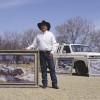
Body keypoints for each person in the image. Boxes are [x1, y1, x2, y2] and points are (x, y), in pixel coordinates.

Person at [26, 20, 59, 89]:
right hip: (41, 53)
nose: (43, 27)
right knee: (43, 69)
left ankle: (54, 84)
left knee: (52, 68)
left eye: (44, 25)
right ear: (40, 27)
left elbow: (55, 44)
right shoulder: (38, 35)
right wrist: (28, 48)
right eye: (42, 26)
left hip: (49, 53)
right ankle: (44, 83)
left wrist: (52, 52)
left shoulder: (51, 34)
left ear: (47, 27)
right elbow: (34, 44)